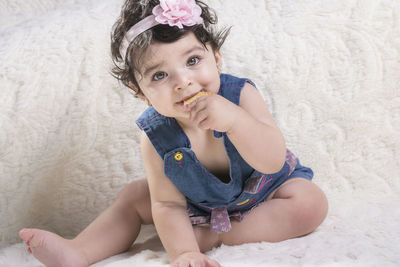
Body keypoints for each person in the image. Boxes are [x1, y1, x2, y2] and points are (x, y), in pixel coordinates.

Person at [19, 0, 328, 266]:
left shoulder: (240, 95)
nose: (183, 81)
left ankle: (209, 236)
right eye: (160, 75)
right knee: (136, 197)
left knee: (310, 203)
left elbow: (272, 161)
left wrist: (235, 121)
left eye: (193, 60)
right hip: (198, 205)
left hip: (264, 193)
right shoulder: (156, 135)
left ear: (216, 57)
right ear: (139, 91)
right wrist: (183, 253)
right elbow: (168, 205)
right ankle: (79, 252)